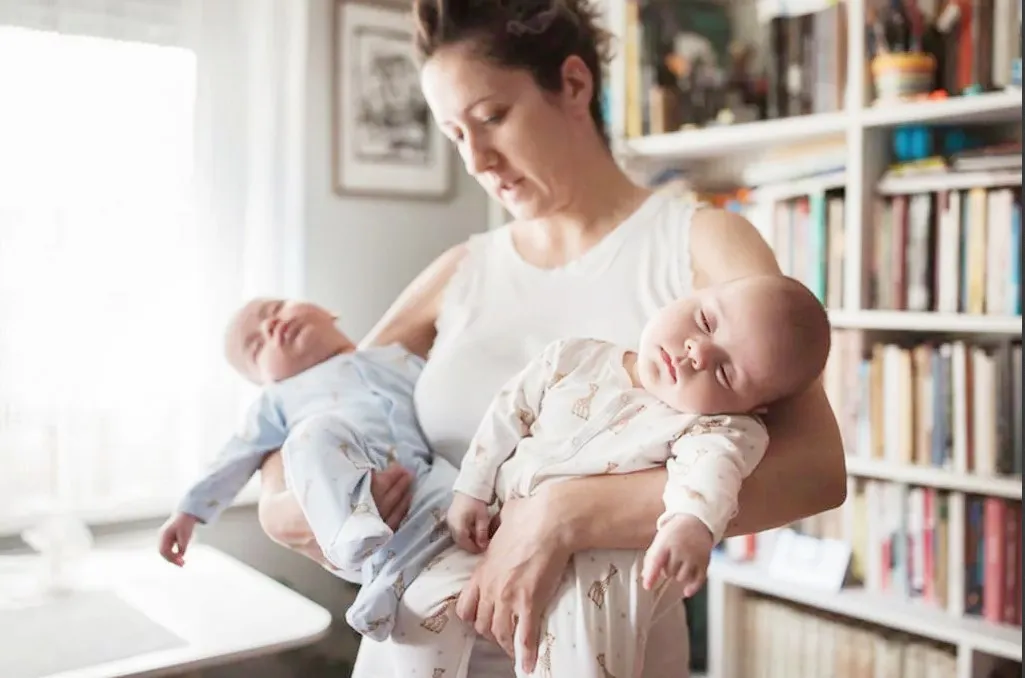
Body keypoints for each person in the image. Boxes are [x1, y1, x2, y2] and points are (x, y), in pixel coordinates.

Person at [256, 0, 847, 675]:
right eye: (454, 133)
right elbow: (320, 397)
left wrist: (562, 514)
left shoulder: (700, 243)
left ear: (573, 83)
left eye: (491, 117)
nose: (476, 159)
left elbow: (815, 471)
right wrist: (278, 508)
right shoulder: (461, 270)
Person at [387, 274, 830, 678]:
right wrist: (473, 487)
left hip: (594, 576)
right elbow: (507, 414)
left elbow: (712, 473)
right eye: (706, 322)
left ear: (752, 408)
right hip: (492, 530)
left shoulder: (713, 427)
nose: (697, 353)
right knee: (416, 610)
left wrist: (690, 525)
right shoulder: (573, 357)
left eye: (725, 372)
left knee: (578, 664)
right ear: (693, 293)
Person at [157, 298, 456, 640]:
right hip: (349, 499)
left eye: (274, 310)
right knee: (313, 434)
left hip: (420, 483)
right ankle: (350, 530)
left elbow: (445, 398)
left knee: (455, 488)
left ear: (328, 311)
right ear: (265, 380)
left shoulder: (395, 359)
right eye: (256, 346)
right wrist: (188, 512)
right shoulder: (278, 400)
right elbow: (235, 454)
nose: (270, 325)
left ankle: (380, 595)